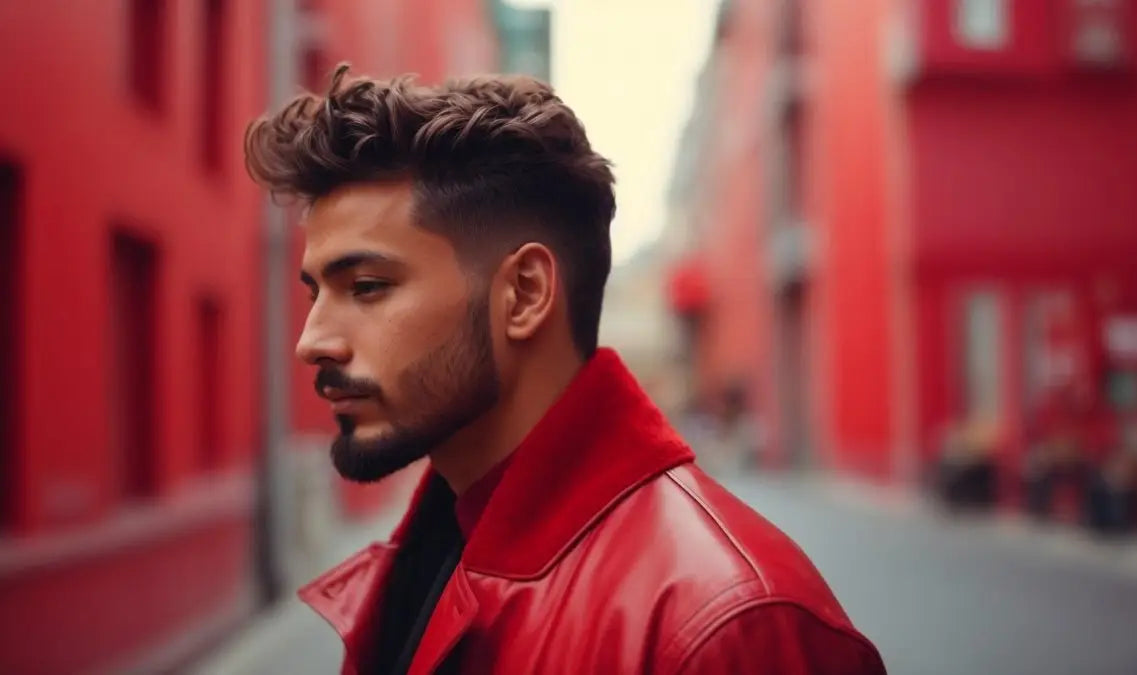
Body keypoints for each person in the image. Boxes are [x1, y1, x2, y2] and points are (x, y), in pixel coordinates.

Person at [244, 65, 885, 675]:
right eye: (314, 293)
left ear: (524, 294)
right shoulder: (428, 555)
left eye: (367, 286)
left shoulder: (730, 628)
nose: (313, 341)